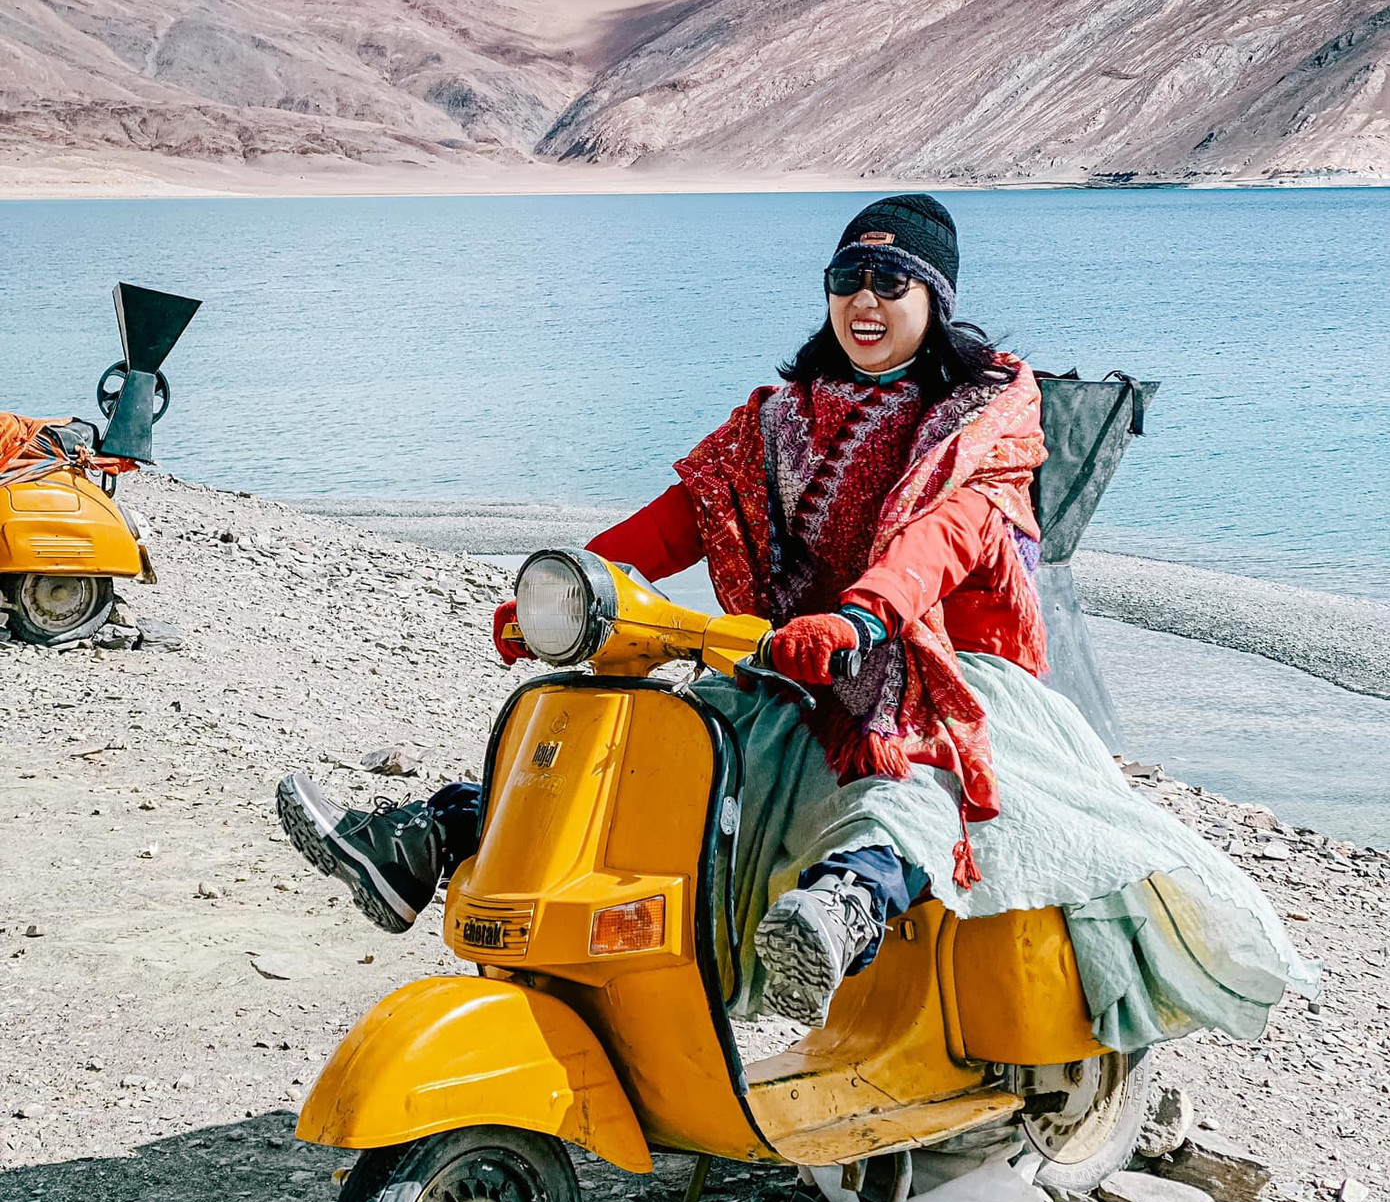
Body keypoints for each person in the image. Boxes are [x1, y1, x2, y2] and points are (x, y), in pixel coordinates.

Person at [279, 195, 1318, 1042]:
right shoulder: (776, 418)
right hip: (790, 660)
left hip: (940, 668)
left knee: (907, 769)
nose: (864, 301)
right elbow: (686, 512)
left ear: (934, 296)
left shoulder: (983, 419)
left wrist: (864, 615)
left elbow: (949, 535)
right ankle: (433, 833)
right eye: (845, 281)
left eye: (890, 281)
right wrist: (571, 588)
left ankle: (845, 905)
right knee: (638, 741)